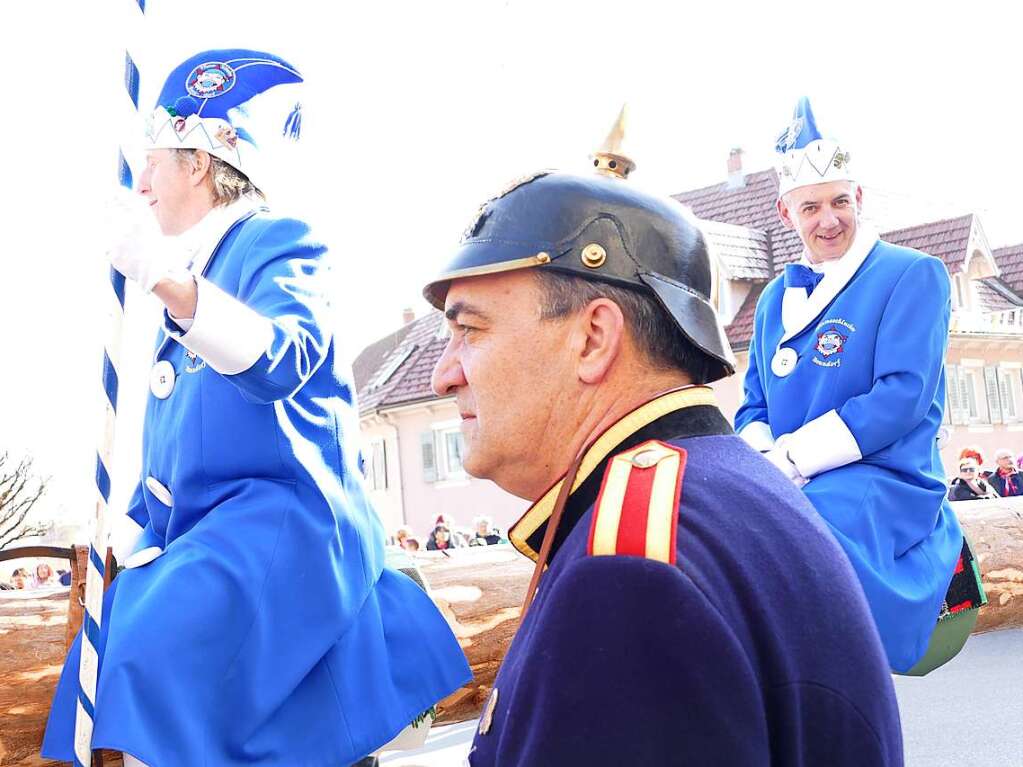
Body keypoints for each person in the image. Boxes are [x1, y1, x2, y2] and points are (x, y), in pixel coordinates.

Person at [43, 49, 469, 767]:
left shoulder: (276, 241)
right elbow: (182, 462)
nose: (140, 181)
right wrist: (133, 525)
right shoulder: (196, 272)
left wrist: (163, 278)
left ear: (199, 164)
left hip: (290, 520)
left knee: (150, 647)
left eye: (153, 162)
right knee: (109, 633)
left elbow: (282, 356)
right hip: (222, 535)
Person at [422, 139, 902, 764]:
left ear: (593, 337)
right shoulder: (729, 491)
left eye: (470, 329)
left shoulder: (627, 569)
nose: (444, 374)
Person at [734, 98, 970, 675]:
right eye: (811, 206)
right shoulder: (769, 302)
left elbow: (902, 395)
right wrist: (768, 460)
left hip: (886, 476)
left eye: (840, 201)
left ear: (859, 200)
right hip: (790, 475)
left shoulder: (911, 273)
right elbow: (752, 406)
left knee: (796, 537)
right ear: (786, 213)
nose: (829, 218)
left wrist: (792, 459)